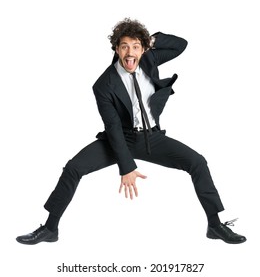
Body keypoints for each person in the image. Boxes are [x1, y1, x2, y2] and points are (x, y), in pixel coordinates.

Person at [16, 18, 246, 245]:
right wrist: (126, 167)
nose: (130, 52)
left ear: (143, 49)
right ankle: (50, 229)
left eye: (136, 46)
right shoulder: (103, 84)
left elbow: (181, 44)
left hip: (152, 137)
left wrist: (149, 40)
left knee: (198, 162)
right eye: (124, 46)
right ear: (116, 48)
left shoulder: (149, 58)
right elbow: (113, 127)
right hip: (120, 138)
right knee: (73, 168)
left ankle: (215, 226)